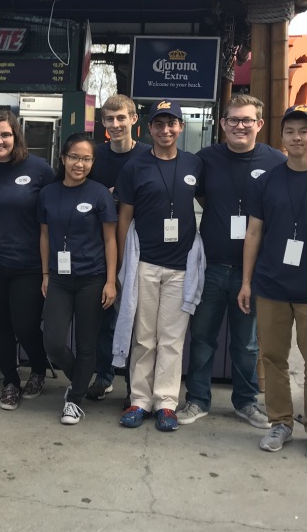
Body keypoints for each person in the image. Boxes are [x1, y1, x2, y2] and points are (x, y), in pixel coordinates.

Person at [238, 105, 307, 458]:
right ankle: (281, 423)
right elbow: (253, 232)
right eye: (290, 131)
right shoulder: (266, 180)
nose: (296, 137)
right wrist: (246, 282)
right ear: (282, 136)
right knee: (273, 358)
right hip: (271, 285)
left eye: (304, 130)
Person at [179, 94, 286, 429]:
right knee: (201, 338)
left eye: (247, 120)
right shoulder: (206, 159)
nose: (240, 126)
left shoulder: (276, 161)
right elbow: (197, 195)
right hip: (210, 265)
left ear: (259, 124)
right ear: (223, 124)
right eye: (234, 120)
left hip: (252, 271)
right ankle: (197, 399)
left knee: (247, 343)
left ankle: (246, 402)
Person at [115, 100, 203, 431]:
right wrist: (123, 262)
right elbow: (125, 216)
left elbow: (207, 202)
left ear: (181, 127)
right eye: (159, 124)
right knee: (143, 337)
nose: (165, 130)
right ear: (148, 128)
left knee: (171, 338)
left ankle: (166, 403)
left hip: (182, 266)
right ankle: (139, 400)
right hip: (145, 264)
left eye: (172, 123)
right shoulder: (135, 167)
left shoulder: (194, 164)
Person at [0, 109, 55, 411]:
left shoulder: (39, 168)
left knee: (25, 324)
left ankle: (38, 368)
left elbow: (55, 211)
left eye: (5, 134)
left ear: (16, 136)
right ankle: (10, 381)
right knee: (0, 324)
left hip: (28, 263)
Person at [39, 134, 118, 424]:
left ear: (93, 162)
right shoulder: (48, 193)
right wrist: (45, 273)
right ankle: (81, 382)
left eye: (86, 159)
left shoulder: (99, 194)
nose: (79, 164)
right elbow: (44, 235)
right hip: (59, 279)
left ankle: (74, 401)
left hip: (92, 278)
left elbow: (110, 240)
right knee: (53, 342)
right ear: (63, 158)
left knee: (87, 344)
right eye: (74, 157)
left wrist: (110, 281)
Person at [87, 94, 148, 401]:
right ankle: (104, 376)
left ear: (133, 119)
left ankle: (136, 387)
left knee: (140, 321)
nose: (115, 124)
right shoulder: (94, 156)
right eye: (109, 119)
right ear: (103, 123)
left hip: (143, 247)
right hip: (103, 245)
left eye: (121, 117)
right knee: (106, 316)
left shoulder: (149, 155)